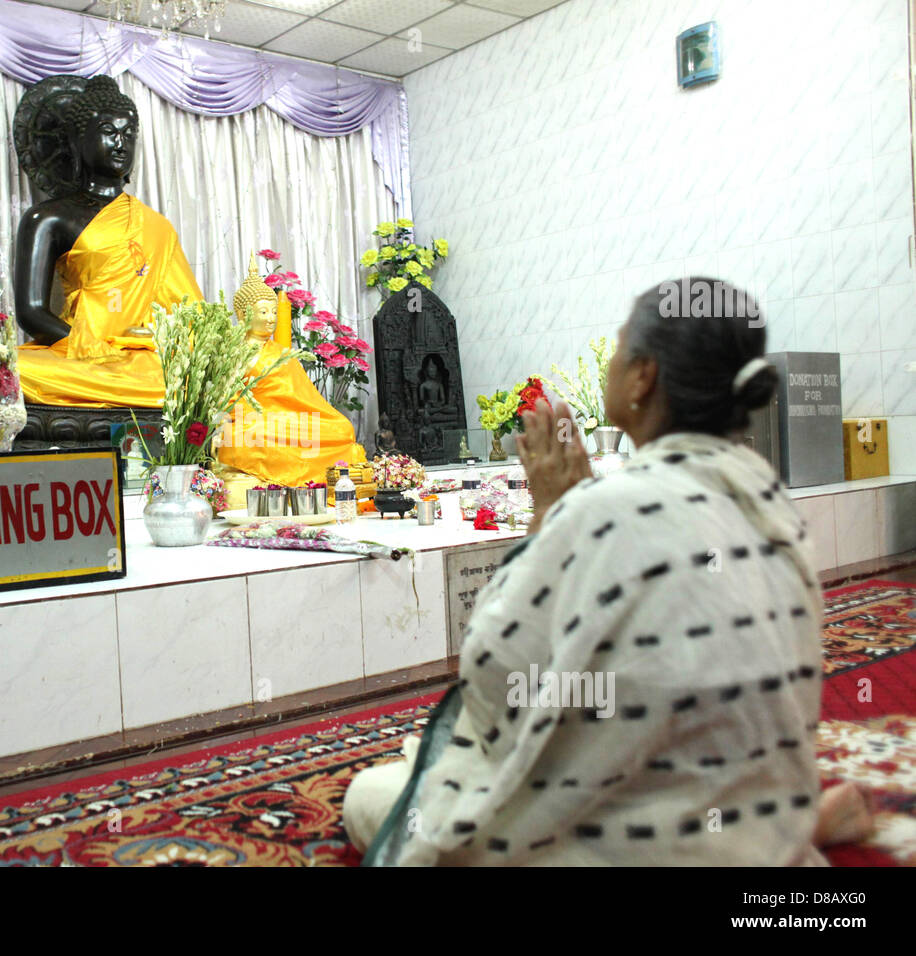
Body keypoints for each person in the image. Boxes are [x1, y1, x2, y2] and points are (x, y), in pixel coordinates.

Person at [346, 277, 864, 865]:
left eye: (620, 347)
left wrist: (550, 518)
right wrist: (576, 517)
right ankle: (792, 827)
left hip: (644, 845)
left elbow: (492, 673)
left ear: (642, 377)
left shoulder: (608, 510)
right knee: (434, 762)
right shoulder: (768, 499)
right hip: (754, 807)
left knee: (381, 796)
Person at [11, 74, 202, 408]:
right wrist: (88, 346)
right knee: (10, 370)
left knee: (198, 376)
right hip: (79, 355)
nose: (121, 144)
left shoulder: (156, 227)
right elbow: (31, 312)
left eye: (129, 134)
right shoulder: (47, 217)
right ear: (75, 140)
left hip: (142, 360)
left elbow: (190, 316)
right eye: (108, 132)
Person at [215, 263, 367, 485]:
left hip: (290, 421)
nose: (271, 318)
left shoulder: (282, 353)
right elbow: (225, 400)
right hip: (254, 423)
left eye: (274, 312)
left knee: (342, 429)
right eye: (263, 312)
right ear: (242, 313)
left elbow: (304, 399)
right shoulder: (233, 352)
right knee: (242, 437)